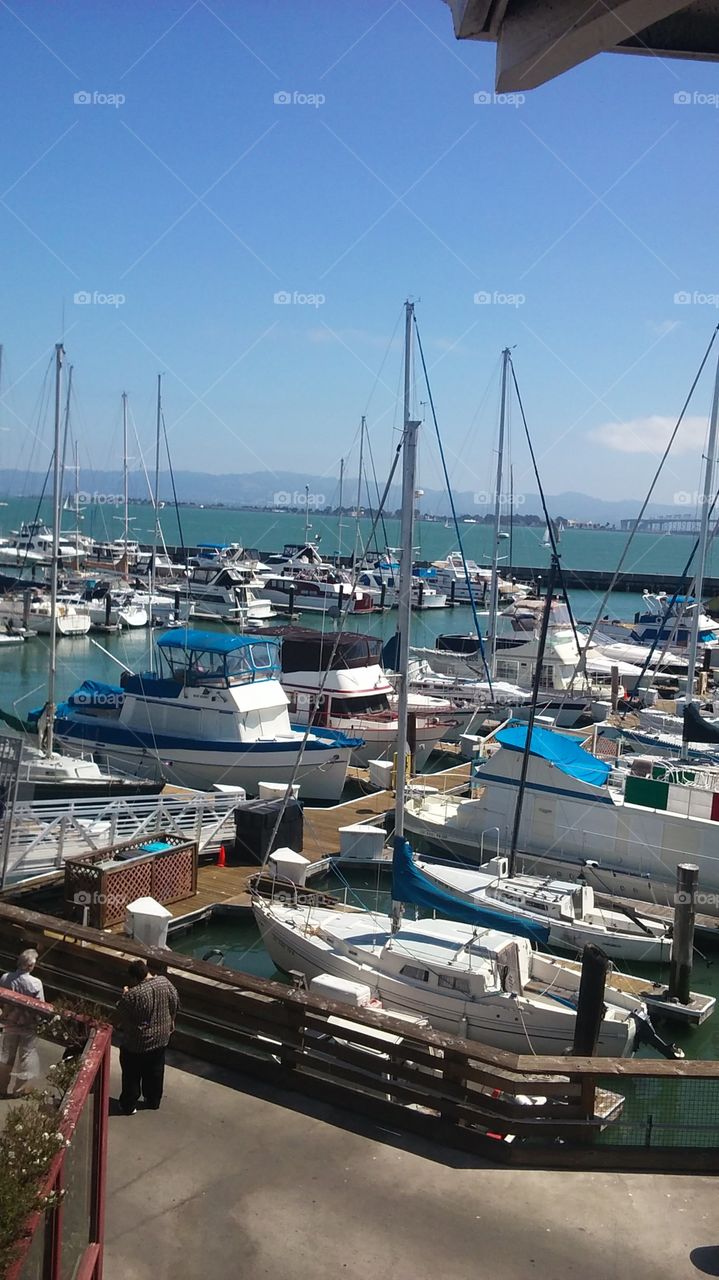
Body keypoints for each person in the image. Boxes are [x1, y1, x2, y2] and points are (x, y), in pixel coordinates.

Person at [116, 958, 179, 1115]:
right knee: (155, 1071)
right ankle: (153, 1101)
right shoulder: (165, 982)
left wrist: (125, 993)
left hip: (137, 1042)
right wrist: (171, 1021)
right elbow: (175, 1002)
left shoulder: (133, 994)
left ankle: (129, 1105)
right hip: (161, 1037)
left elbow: (122, 1012)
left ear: (134, 978)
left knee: (132, 1074)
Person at [0, 948, 45, 1097]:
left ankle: (1, 1086)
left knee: (6, 1055)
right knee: (27, 1055)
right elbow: (40, 1007)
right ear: (30, 966)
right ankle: (20, 1090)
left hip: (10, 1022)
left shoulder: (5, 978)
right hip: (27, 1025)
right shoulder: (36, 983)